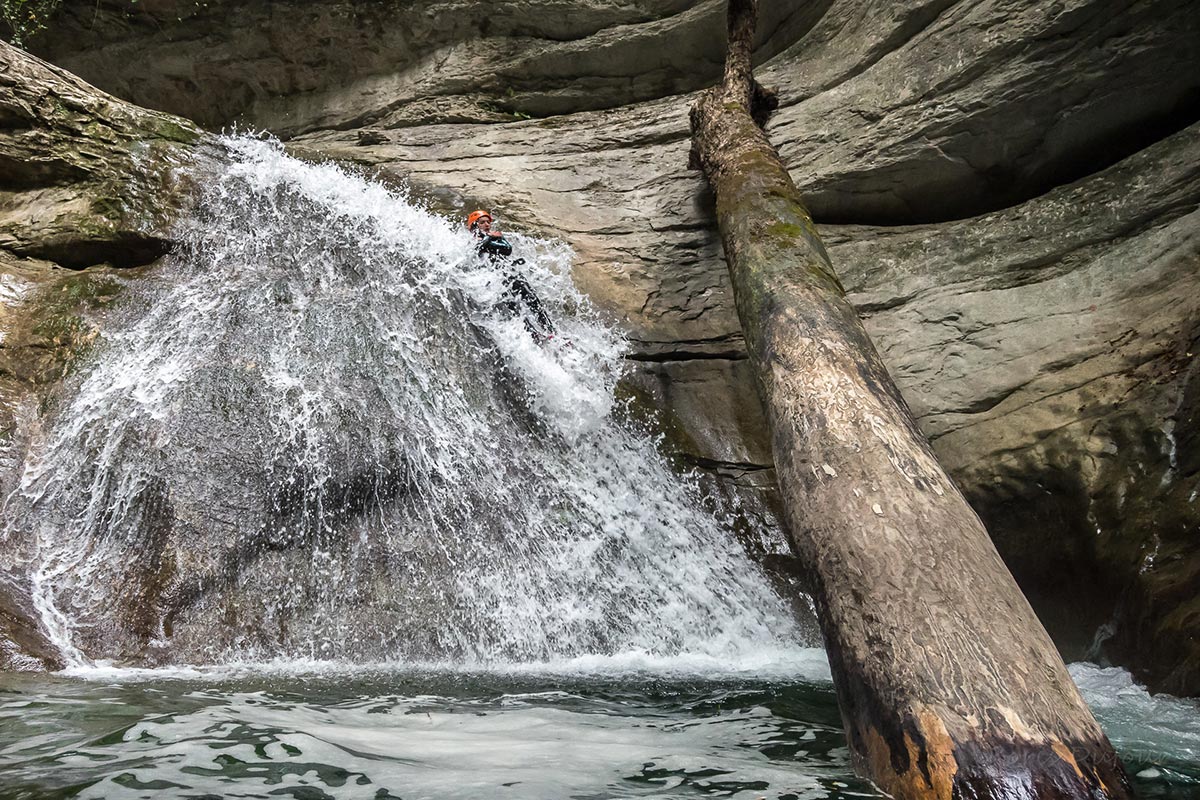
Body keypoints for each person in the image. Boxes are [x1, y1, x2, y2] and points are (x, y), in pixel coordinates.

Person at [466, 210, 556, 341]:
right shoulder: (474, 240)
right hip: (497, 279)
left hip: (510, 273)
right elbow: (479, 248)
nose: (487, 224)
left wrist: (493, 238)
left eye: (488, 222)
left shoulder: (494, 237)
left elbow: (507, 249)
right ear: (475, 225)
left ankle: (551, 332)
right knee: (513, 306)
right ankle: (533, 334)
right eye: (482, 222)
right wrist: (491, 237)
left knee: (533, 300)